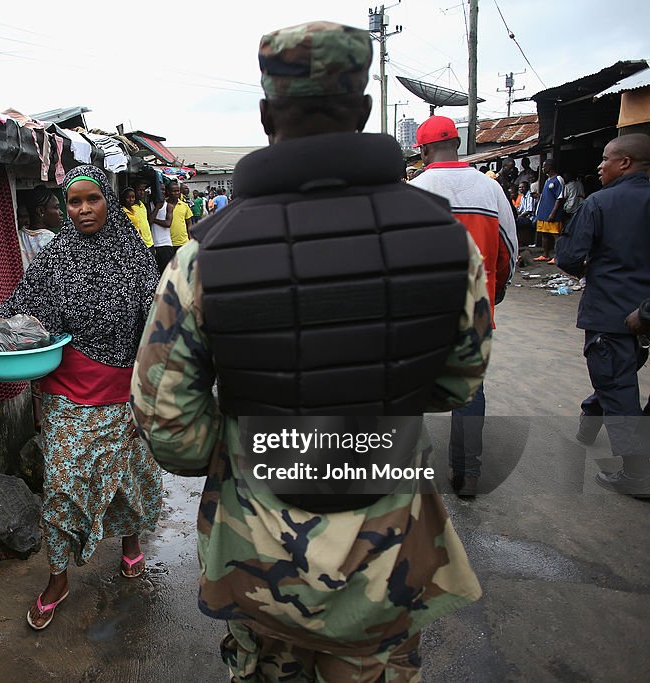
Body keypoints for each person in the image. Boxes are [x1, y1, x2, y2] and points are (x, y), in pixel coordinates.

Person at [132, 22, 487, 682]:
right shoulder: (446, 242)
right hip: (390, 558)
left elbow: (170, 429)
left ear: (267, 114)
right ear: (366, 111)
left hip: (260, 563)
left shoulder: (203, 258)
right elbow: (459, 382)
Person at [0, 165, 164, 631]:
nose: (83, 209)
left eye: (92, 199)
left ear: (108, 201)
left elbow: (157, 323)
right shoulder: (54, 257)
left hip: (121, 392)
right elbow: (19, 303)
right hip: (65, 392)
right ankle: (57, 578)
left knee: (126, 474)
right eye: (74, 202)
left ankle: (130, 544)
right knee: (63, 487)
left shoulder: (135, 256)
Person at [410, 115, 518, 497]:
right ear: (458, 143)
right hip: (476, 309)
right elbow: (508, 250)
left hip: (423, 313)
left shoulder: (414, 191)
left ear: (422, 150)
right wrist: (495, 289)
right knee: (470, 390)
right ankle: (467, 473)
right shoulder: (490, 190)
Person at [555, 133, 650, 498]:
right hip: (639, 311)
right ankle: (590, 420)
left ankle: (637, 473)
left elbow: (568, 257)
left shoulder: (600, 204)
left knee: (616, 384)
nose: (599, 165)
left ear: (625, 162)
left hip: (611, 313)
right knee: (616, 376)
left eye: (606, 159)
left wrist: (592, 273)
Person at [534, 158, 565, 262]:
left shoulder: (558, 179)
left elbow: (560, 197)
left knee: (555, 235)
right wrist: (539, 196)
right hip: (543, 213)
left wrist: (553, 213)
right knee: (544, 234)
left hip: (552, 213)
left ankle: (558, 256)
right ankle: (545, 255)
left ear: (549, 167)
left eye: (544, 166)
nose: (542, 169)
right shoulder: (548, 180)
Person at [17, 197, 55, 270]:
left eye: (27, 216)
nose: (26, 221)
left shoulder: (48, 236)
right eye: (22, 217)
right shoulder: (17, 237)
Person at [121, 186, 155, 251]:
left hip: (146, 243)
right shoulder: (122, 212)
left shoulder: (134, 210)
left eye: (133, 197)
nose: (131, 199)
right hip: (134, 245)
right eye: (128, 198)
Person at [163, 179, 193, 249]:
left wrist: (190, 238)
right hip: (168, 243)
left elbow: (189, 223)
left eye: (178, 191)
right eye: (174, 191)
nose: (177, 193)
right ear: (168, 192)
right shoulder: (163, 205)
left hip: (183, 242)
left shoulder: (184, 205)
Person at [516, 179, 538, 246]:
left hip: (530, 218)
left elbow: (529, 210)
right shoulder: (522, 197)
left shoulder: (530, 195)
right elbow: (520, 209)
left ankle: (520, 241)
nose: (521, 189)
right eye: (520, 187)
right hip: (524, 217)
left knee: (516, 222)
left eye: (523, 187)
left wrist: (519, 216)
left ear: (527, 188)